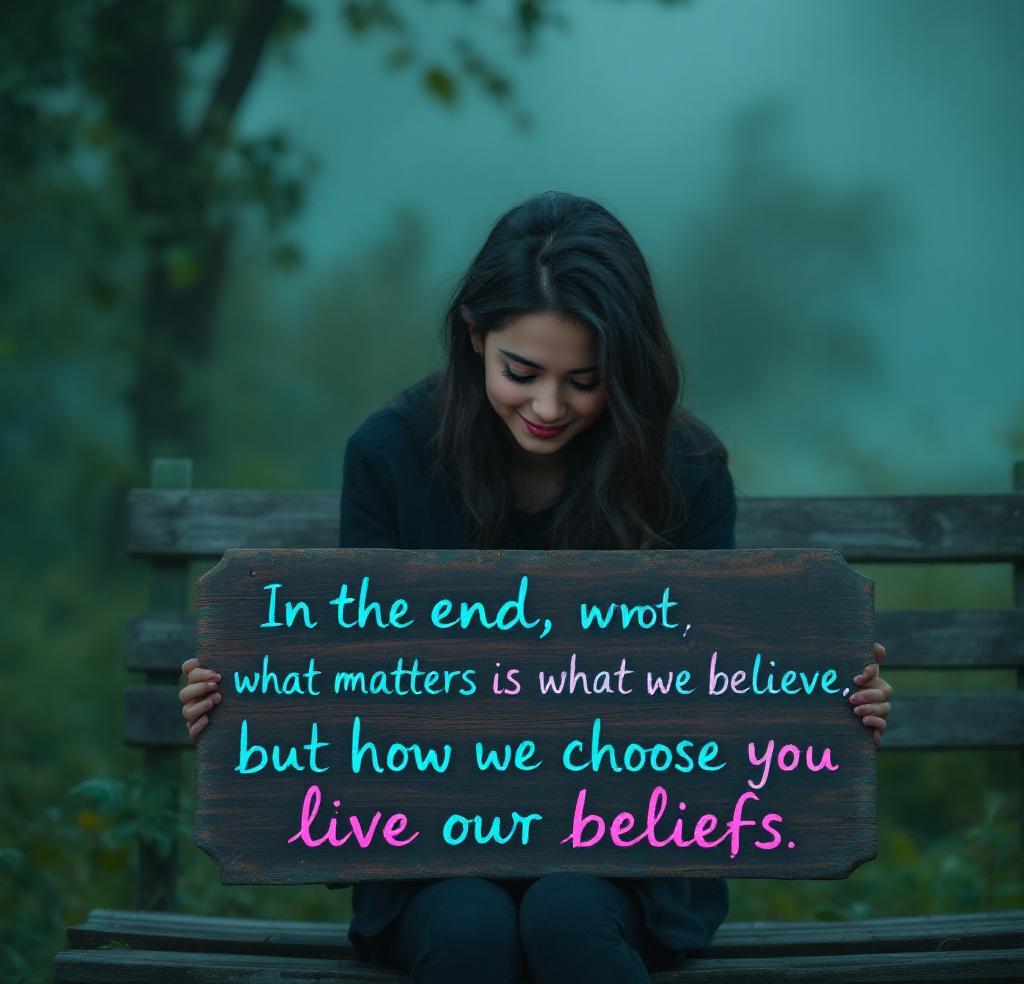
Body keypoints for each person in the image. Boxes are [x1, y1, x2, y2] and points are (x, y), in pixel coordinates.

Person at [179, 193, 893, 984]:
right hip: (428, 848)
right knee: (471, 927)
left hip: (631, 852)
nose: (549, 408)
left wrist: (827, 698)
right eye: (522, 373)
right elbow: (357, 676)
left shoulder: (684, 470)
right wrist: (242, 697)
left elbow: (715, 682)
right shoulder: (389, 453)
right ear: (474, 335)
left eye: (585, 381)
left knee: (570, 916)